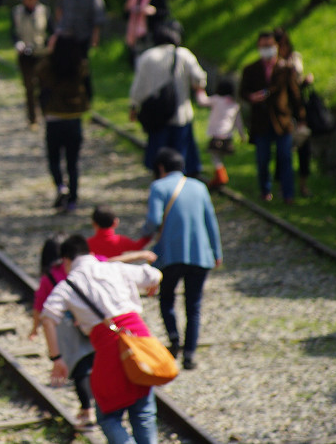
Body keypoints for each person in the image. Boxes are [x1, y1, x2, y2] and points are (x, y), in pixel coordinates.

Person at [41, 235, 163, 444]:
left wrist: (57, 358)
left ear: (67, 260)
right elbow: (154, 274)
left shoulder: (68, 285)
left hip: (109, 347)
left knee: (108, 416)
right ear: (89, 253)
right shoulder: (114, 267)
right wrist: (154, 285)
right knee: (143, 409)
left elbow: (47, 318)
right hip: (140, 340)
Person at [138, 147, 222, 371]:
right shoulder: (200, 187)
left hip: (169, 255)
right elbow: (210, 222)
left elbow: (154, 220)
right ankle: (190, 354)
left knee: (167, 298)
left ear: (161, 168)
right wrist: (217, 252)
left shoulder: (158, 187)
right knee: (193, 306)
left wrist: (143, 236)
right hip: (199, 255)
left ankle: (174, 339)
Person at [29, 234, 97, 431]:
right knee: (98, 360)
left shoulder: (48, 276)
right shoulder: (84, 267)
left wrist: (34, 329)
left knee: (79, 369)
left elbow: (39, 307)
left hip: (65, 328)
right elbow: (110, 262)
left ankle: (87, 410)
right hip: (88, 318)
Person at [128, 22, 206, 176]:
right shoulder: (183, 54)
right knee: (182, 156)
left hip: (157, 116)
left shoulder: (147, 57)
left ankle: (162, 183)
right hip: (181, 115)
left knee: (159, 159)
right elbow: (199, 79)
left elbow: (139, 87)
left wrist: (134, 106)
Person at [239, 31, 307, 203]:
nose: (266, 50)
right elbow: (242, 92)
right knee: (263, 160)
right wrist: (251, 97)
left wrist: (301, 118)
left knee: (285, 158)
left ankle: (288, 194)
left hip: (282, 121)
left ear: (276, 46)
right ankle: (265, 191)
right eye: (263, 47)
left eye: (269, 46)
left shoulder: (285, 69)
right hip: (261, 121)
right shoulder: (251, 69)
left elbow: (295, 95)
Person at [35, 35, 89, 212]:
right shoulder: (80, 65)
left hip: (54, 118)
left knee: (54, 159)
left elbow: (40, 86)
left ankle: (60, 186)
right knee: (72, 162)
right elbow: (89, 89)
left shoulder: (47, 65)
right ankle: (72, 199)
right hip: (74, 118)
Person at [51, 0, 106, 99]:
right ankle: (66, 92)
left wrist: (95, 35)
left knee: (82, 65)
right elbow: (59, 7)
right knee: (63, 64)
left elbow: (98, 13)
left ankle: (87, 95)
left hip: (83, 35)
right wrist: (59, 28)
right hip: (66, 33)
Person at [274, 27, 315, 197]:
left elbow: (297, 87)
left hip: (299, 110)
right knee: (283, 151)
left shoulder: (294, 58)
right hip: (283, 112)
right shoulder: (273, 63)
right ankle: (282, 184)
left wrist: (304, 81)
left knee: (304, 150)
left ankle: (303, 185)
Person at [11, 0, 52, 128]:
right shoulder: (16, 12)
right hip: (24, 55)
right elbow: (13, 32)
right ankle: (32, 118)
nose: (30, 1)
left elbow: (50, 32)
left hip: (41, 53)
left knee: (44, 84)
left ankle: (46, 113)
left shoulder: (45, 11)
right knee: (29, 87)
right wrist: (18, 43)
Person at [195, 77, 247, 189]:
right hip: (227, 137)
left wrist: (200, 90)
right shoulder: (234, 104)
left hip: (216, 135)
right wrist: (242, 135)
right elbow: (239, 123)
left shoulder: (217, 100)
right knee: (220, 157)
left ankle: (221, 177)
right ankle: (217, 178)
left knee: (215, 158)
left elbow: (202, 101)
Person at [123, 0, 169, 68]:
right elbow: (125, 15)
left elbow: (165, 12)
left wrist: (153, 11)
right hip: (135, 37)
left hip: (151, 35)